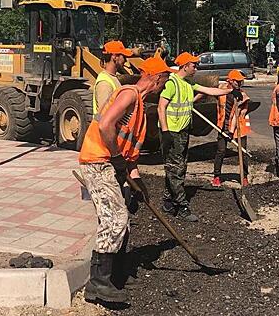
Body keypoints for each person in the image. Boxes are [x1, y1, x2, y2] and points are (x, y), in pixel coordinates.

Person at [79, 57, 174, 304]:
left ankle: (117, 273)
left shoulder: (139, 104)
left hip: (112, 162)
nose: (164, 86)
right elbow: (106, 125)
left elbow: (129, 156)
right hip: (99, 161)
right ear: (156, 77)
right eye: (164, 80)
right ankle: (98, 284)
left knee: (124, 220)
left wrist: (139, 185)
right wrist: (116, 157)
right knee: (115, 219)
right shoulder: (129, 94)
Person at [159, 52, 237, 222]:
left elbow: (209, 90)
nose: (196, 67)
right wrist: (165, 131)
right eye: (194, 65)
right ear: (185, 65)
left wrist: (231, 91)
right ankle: (181, 206)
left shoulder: (188, 83)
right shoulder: (172, 83)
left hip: (182, 131)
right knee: (177, 169)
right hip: (172, 133)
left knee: (177, 167)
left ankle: (167, 201)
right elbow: (161, 107)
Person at [212, 69, 251, 187]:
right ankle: (217, 176)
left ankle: (243, 176)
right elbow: (207, 91)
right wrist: (192, 101)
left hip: (238, 127)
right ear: (230, 81)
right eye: (237, 81)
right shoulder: (221, 89)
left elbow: (236, 115)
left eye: (241, 82)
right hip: (222, 126)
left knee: (242, 152)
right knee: (221, 151)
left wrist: (230, 131)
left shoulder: (242, 95)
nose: (240, 84)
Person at [93, 41, 132, 114]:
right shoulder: (105, 84)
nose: (125, 60)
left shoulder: (112, 78)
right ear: (114, 57)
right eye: (123, 56)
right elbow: (104, 115)